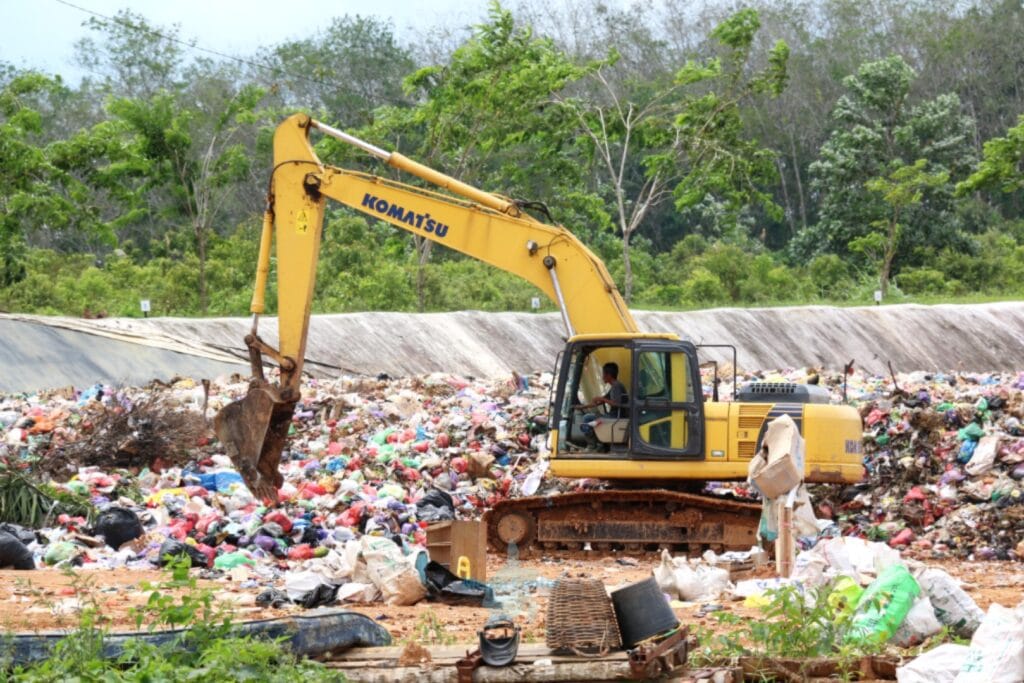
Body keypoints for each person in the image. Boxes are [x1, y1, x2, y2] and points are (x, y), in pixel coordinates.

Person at [578, 362, 628, 447]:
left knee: (589, 424)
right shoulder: (613, 386)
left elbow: (616, 404)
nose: (602, 377)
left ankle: (593, 446)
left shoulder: (617, 386)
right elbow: (600, 402)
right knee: (587, 417)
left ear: (608, 375)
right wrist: (582, 406)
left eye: (603, 374)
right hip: (612, 415)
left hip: (617, 416)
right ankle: (594, 443)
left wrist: (601, 398)